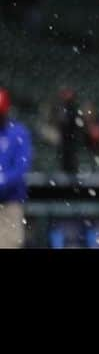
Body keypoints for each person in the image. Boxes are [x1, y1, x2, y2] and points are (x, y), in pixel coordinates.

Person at [0, 89, 32, 249]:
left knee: (10, 244)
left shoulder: (18, 132)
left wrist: (2, 180)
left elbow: (22, 167)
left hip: (10, 201)